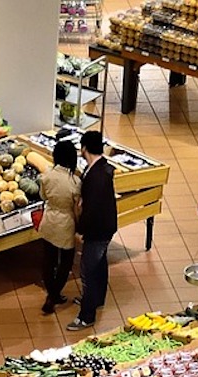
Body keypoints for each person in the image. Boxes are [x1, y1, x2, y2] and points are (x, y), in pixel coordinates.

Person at [69, 130, 118, 332]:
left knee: (88, 270)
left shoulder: (95, 177)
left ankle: (86, 316)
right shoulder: (102, 169)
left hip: (97, 231)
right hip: (106, 227)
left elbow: (91, 209)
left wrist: (81, 230)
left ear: (84, 148)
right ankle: (98, 299)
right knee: (100, 264)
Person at [36, 139, 82, 316]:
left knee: (49, 260)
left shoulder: (46, 175)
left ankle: (52, 293)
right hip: (66, 222)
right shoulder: (75, 182)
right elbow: (76, 207)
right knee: (66, 262)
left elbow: (43, 195)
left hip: (49, 220)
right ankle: (54, 295)